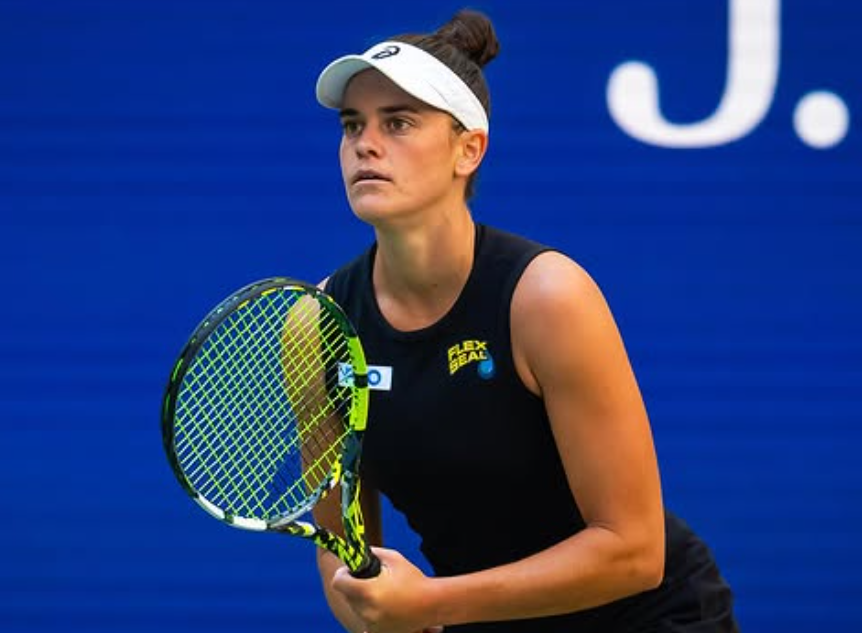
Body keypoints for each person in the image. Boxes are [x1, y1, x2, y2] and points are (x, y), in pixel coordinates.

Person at [311, 9, 739, 633]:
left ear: (468, 149)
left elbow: (634, 550)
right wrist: (378, 614)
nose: (365, 144)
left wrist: (430, 603)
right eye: (353, 124)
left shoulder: (547, 298)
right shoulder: (319, 322)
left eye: (398, 122)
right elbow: (341, 547)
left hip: (646, 618)